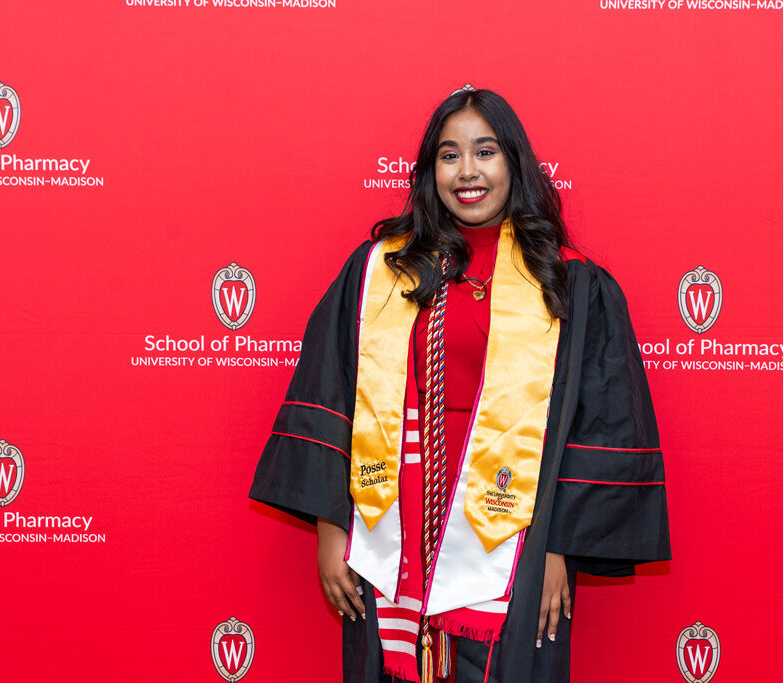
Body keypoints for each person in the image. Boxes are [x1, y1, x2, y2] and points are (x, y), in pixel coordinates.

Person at [249, 86, 670, 683]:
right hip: (390, 524)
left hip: (515, 532)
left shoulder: (568, 282)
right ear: (430, 171)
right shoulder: (380, 271)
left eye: (485, 152)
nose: (467, 171)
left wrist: (559, 549)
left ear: (514, 164)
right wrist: (330, 526)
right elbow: (334, 392)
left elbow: (599, 419)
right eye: (449, 155)